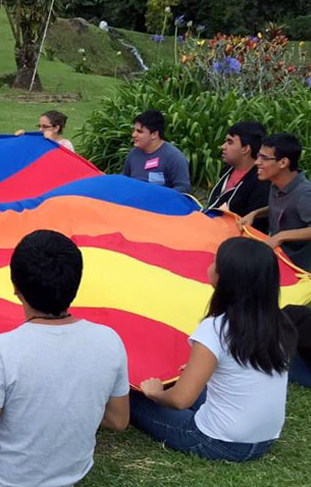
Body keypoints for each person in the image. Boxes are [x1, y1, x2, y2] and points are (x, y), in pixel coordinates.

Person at [0, 230, 130, 487]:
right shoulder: (109, 340)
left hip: (3, 482)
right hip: (72, 475)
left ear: (16, 287)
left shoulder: (1, 350)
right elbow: (118, 420)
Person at [132, 237, 294, 461]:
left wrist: (155, 394)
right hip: (265, 439)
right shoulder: (279, 322)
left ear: (225, 278)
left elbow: (180, 401)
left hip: (218, 442)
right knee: (192, 383)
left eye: (215, 262)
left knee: (132, 397)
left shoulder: (215, 328)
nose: (210, 266)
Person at [237, 134, 311, 270]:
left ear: (283, 163)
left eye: (264, 158)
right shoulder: (275, 183)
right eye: (258, 156)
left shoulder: (304, 194)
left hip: (297, 269)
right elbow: (281, 207)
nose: (256, 162)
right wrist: (255, 213)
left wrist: (281, 236)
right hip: (275, 257)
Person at [204, 121, 269, 233]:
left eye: (230, 142)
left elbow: (255, 228)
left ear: (245, 148)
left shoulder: (261, 182)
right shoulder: (228, 169)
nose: (223, 147)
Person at [121, 110, 191, 193]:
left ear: (154, 134)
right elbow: (124, 182)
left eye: (139, 131)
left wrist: (159, 197)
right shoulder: (133, 154)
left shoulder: (174, 157)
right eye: (134, 130)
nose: (133, 135)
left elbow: (183, 188)